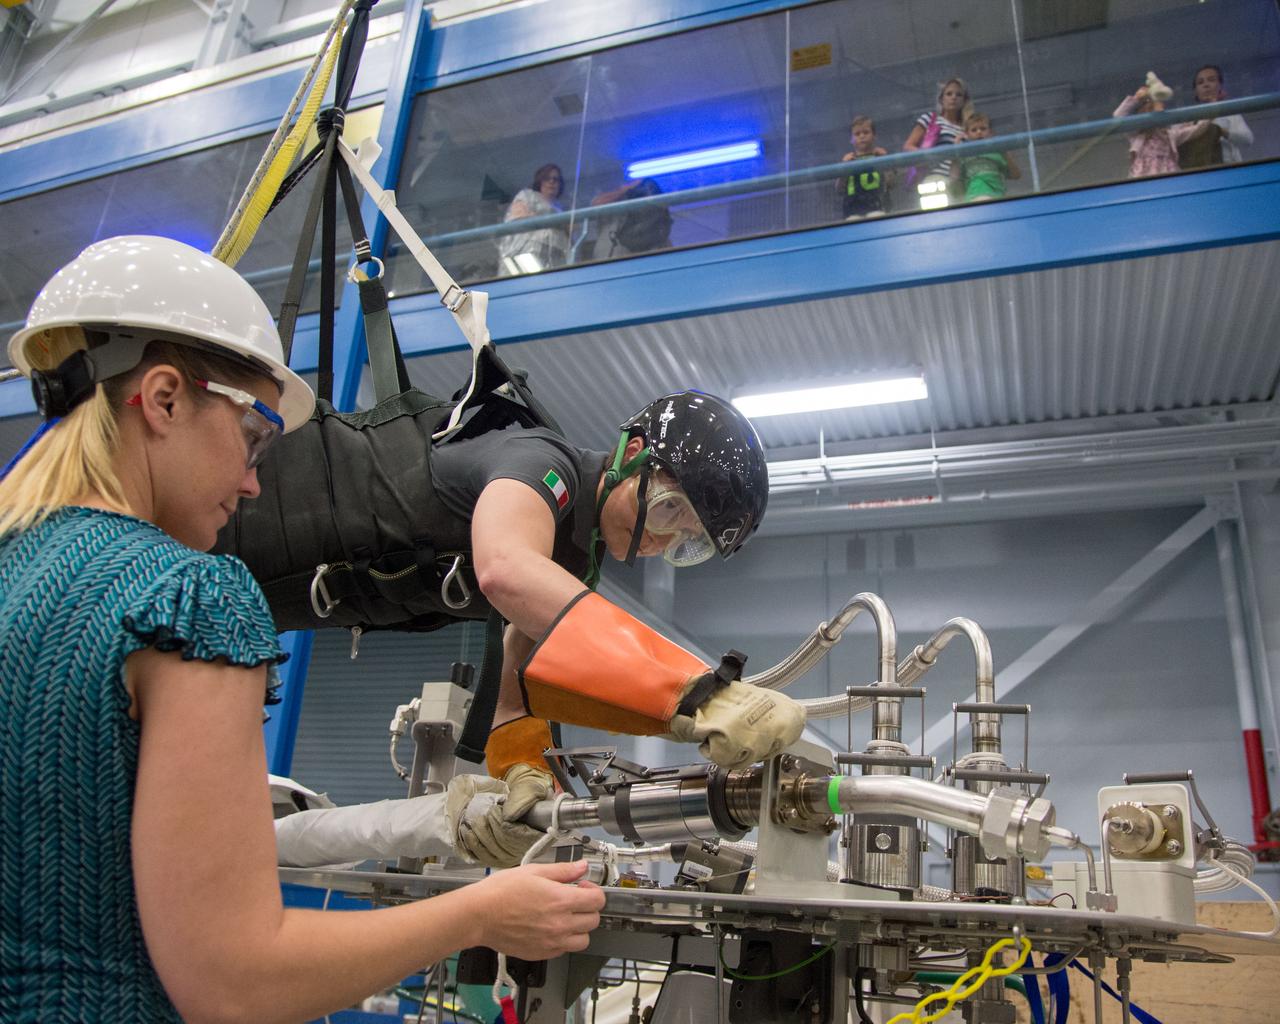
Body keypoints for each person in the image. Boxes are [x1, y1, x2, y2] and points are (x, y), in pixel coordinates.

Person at [0, 235, 605, 1023]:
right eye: (254, 434)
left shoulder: (16, 570)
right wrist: (483, 913)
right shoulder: (186, 598)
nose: (255, 483)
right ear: (164, 399)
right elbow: (236, 981)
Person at [1112, 72, 1205, 179]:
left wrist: (1211, 109)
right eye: (1152, 106)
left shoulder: (1170, 134)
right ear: (1144, 112)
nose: (1160, 108)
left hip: (1168, 177)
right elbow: (1118, 116)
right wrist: (1137, 98)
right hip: (1142, 179)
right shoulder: (1136, 134)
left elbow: (1197, 129)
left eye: (1161, 107)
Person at [902, 77, 972, 207]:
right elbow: (908, 146)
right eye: (949, 94)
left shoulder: (968, 128)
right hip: (935, 178)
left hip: (959, 182)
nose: (953, 97)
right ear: (941, 99)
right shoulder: (931, 119)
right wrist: (931, 155)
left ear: (964, 100)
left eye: (959, 94)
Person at [497, 163, 571, 276]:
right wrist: (554, 224)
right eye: (547, 178)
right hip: (527, 254)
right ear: (540, 181)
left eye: (556, 179)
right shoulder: (527, 196)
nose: (552, 182)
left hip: (555, 260)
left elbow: (572, 230)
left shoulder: (562, 209)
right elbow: (518, 217)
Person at [1179, 64, 1254, 168]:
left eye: (1211, 80)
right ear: (1195, 91)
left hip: (1229, 169)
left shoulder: (1230, 113)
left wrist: (1222, 132)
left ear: (1220, 86)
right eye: (1200, 82)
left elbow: (1248, 140)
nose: (1206, 85)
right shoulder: (1187, 117)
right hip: (1197, 171)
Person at [951, 112, 1021, 202]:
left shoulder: (997, 153)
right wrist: (956, 152)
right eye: (974, 130)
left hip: (996, 196)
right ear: (967, 134)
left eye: (983, 129)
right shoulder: (964, 155)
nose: (979, 132)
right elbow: (954, 179)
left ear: (990, 132)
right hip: (973, 197)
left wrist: (1004, 153)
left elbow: (1016, 175)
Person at [839, 115, 890, 220]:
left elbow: (891, 184)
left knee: (876, 217)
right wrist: (844, 168)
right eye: (857, 134)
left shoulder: (879, 157)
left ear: (874, 135)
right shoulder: (849, 160)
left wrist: (885, 162)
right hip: (852, 211)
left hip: (878, 208)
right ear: (851, 139)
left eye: (866, 132)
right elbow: (839, 189)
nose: (862, 136)